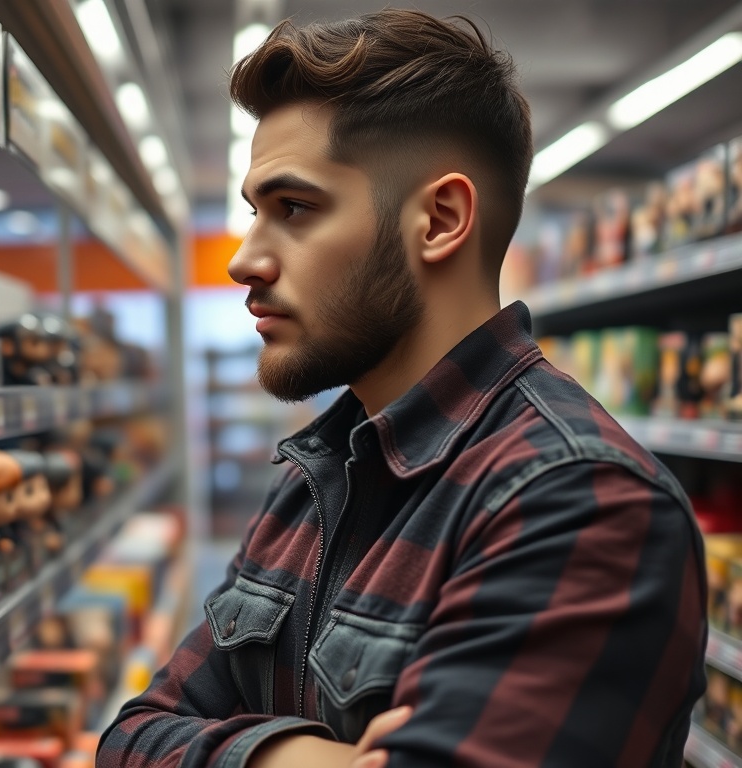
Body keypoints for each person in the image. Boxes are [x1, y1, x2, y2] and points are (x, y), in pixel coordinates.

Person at [99, 9, 706, 768]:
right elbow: (131, 735)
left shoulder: (579, 501)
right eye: (256, 213)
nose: (244, 260)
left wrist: (221, 745)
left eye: (294, 209)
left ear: (440, 220)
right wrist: (300, 760)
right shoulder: (316, 474)